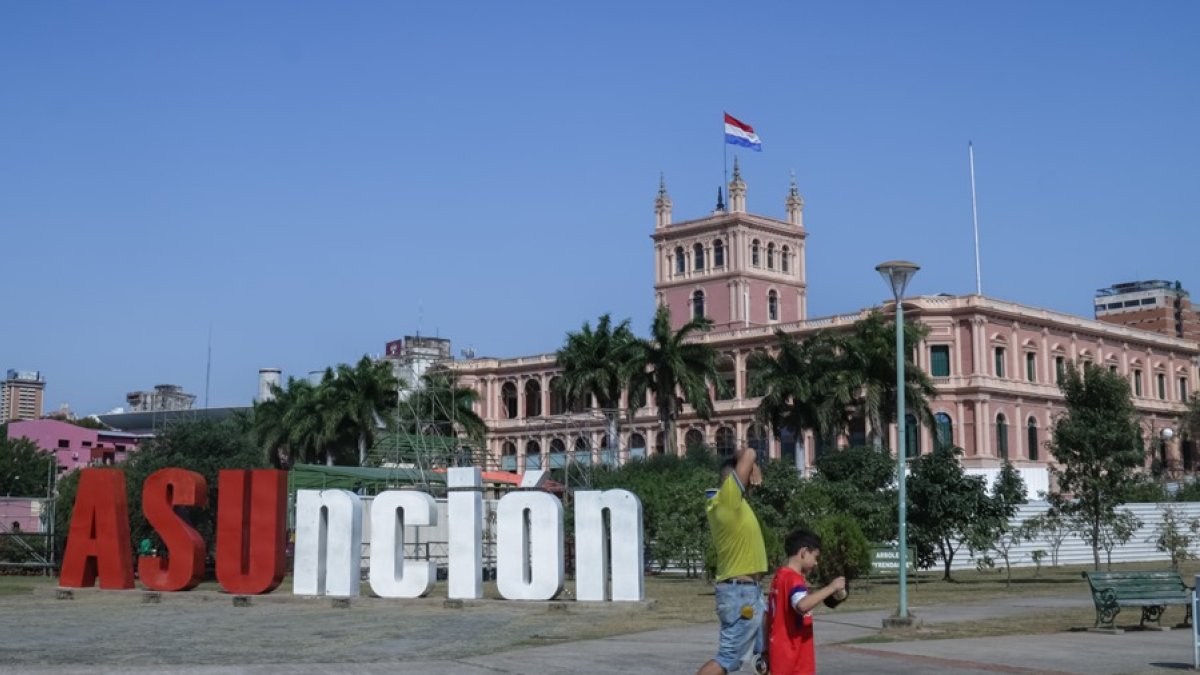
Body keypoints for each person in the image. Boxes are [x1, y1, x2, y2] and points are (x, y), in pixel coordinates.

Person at [696, 447, 768, 675]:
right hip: (740, 594)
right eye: (746, 478)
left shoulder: (732, 504)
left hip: (749, 592)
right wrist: (753, 465)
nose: (751, 485)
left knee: (765, 652)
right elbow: (749, 452)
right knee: (728, 658)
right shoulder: (727, 499)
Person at [762, 529, 846, 675]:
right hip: (794, 661)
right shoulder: (793, 579)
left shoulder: (779, 577)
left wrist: (765, 649)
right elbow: (802, 605)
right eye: (815, 557)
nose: (816, 563)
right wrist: (832, 588)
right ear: (804, 552)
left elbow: (766, 617)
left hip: (779, 656)